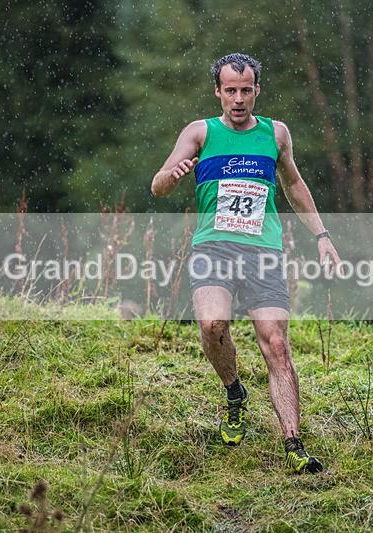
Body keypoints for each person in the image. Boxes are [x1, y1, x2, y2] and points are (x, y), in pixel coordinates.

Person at [151, 53, 341, 474]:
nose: (238, 99)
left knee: (275, 343)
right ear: (218, 92)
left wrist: (322, 236)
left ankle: (293, 444)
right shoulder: (201, 132)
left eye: (246, 90)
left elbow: (292, 183)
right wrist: (175, 174)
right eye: (230, 91)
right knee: (212, 327)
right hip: (213, 250)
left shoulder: (275, 134)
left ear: (257, 90)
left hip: (263, 252)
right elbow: (157, 186)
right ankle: (234, 392)